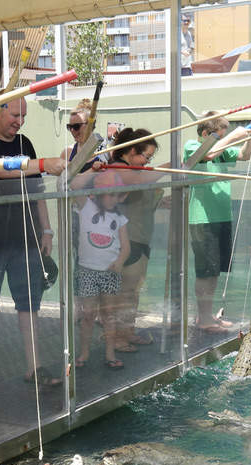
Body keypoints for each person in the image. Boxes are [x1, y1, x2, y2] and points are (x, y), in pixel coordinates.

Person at [0, 97, 67, 389]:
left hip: (24, 236)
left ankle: (34, 367)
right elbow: (1, 170)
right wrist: (47, 163)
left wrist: (46, 231)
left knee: (29, 302)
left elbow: (35, 189)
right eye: (15, 115)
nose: (19, 122)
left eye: (24, 116)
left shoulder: (25, 142)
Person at [183, 111, 251, 331]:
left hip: (222, 217)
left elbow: (244, 156)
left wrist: (250, 135)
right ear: (205, 133)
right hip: (202, 219)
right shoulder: (193, 146)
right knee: (205, 271)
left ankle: (208, 315)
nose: (223, 138)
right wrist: (234, 136)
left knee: (215, 270)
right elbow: (206, 155)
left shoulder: (220, 150)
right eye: (220, 135)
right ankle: (203, 318)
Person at [106, 128, 164, 352]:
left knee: (134, 290)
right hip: (126, 240)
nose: (147, 161)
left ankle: (127, 331)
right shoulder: (119, 168)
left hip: (141, 237)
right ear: (132, 150)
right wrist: (171, 166)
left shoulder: (134, 170)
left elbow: (143, 199)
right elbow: (142, 179)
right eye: (146, 156)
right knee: (124, 292)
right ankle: (117, 338)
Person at [74, 172, 130, 370]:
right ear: (98, 193)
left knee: (109, 314)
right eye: (109, 194)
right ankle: (84, 352)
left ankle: (110, 353)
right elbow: (74, 184)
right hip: (87, 270)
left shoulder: (120, 218)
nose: (113, 199)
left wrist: (120, 261)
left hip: (110, 272)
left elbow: (126, 247)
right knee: (87, 314)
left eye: (117, 195)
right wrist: (94, 171)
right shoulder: (86, 207)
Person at [61, 98, 105, 175]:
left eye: (76, 126)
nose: (72, 130)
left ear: (90, 125)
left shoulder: (105, 150)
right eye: (69, 127)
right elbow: (61, 184)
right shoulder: (68, 153)